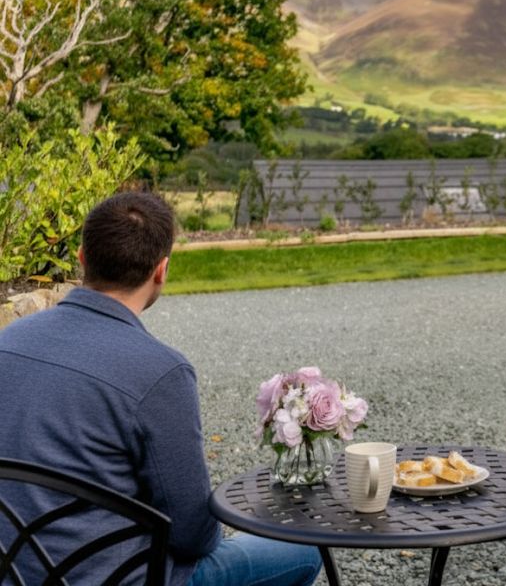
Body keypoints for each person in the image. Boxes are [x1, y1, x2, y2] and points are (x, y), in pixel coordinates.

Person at [0, 192, 322, 585]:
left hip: (15, 571)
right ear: (161, 270)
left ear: (82, 258)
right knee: (301, 551)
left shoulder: (8, 341)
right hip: (121, 577)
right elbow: (194, 535)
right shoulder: (160, 371)